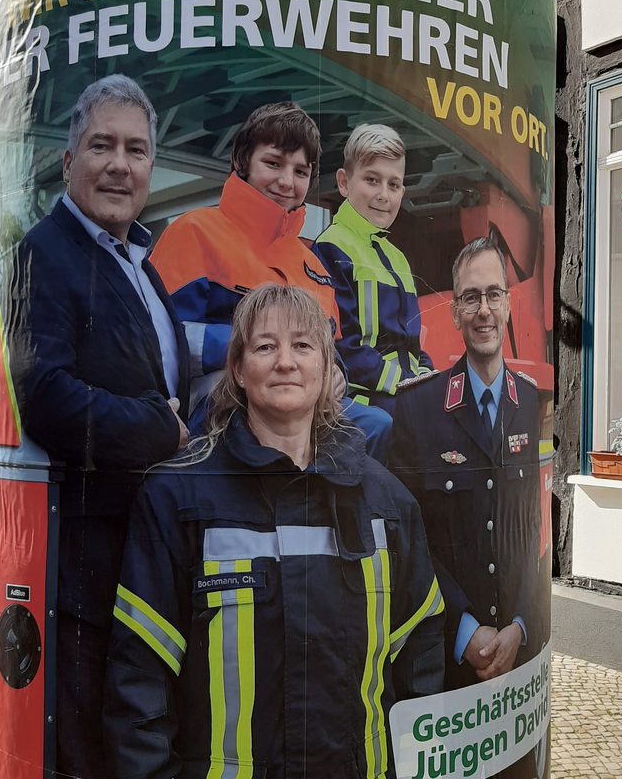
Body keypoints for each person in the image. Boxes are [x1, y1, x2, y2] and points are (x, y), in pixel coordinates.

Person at [103, 284, 445, 778]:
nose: (286, 362)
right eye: (266, 346)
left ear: (328, 369)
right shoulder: (176, 498)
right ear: (238, 369)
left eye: (303, 346)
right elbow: (139, 684)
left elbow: (419, 663)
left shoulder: (387, 503)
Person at [7, 75, 189, 778]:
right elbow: (45, 395)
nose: (121, 163)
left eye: (136, 149)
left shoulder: (142, 262)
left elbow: (159, 380)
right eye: (102, 145)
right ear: (68, 161)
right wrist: (160, 433)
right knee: (95, 751)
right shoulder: (45, 252)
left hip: (150, 557)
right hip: (89, 573)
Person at [149, 101, 391, 456]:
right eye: (273, 163)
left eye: (300, 171)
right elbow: (161, 342)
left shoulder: (314, 265)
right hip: (221, 405)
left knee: (376, 424)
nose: (286, 181)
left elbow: (332, 348)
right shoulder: (192, 233)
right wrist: (251, 348)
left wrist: (335, 369)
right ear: (243, 161)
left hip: (305, 404)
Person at [388, 237, 545, 691]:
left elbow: (530, 528)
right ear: (455, 311)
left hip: (517, 655)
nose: (483, 310)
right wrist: (464, 629)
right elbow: (408, 539)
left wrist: (520, 625)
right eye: (470, 297)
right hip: (445, 659)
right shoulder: (417, 408)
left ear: (508, 304)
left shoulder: (529, 401)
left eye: (493, 294)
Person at [312, 124, 432, 415]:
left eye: (393, 184)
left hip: (403, 393)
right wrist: (407, 385)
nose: (383, 195)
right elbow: (343, 347)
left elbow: (411, 345)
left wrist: (429, 375)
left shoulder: (399, 258)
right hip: (363, 399)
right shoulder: (331, 247)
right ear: (343, 182)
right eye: (372, 180)